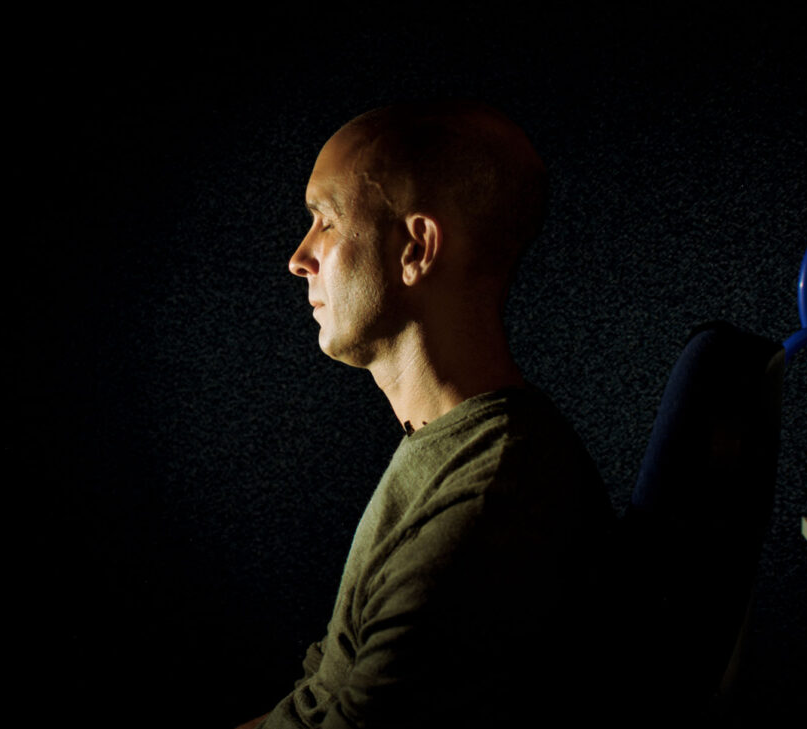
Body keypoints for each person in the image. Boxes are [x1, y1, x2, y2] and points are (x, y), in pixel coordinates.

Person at [237, 101, 615, 728]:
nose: (300, 257)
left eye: (325, 221)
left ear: (415, 248)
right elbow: (321, 695)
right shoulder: (445, 447)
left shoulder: (492, 498)